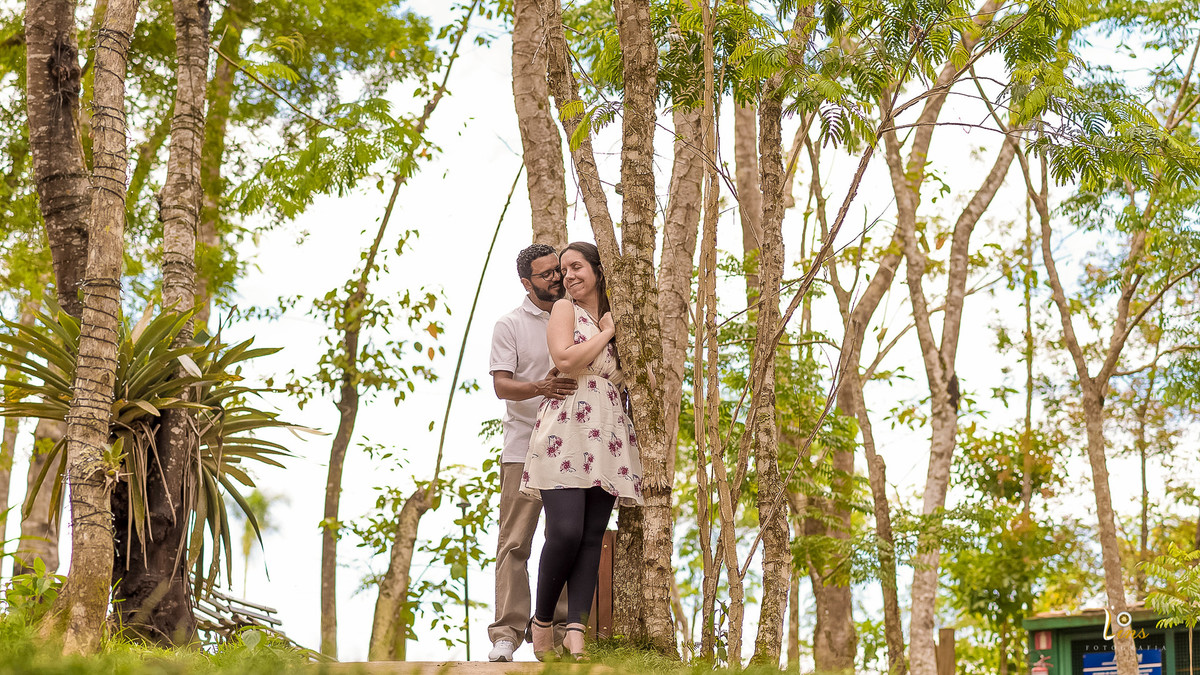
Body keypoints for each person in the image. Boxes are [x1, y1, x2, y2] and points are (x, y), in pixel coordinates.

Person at [522, 242, 644, 660]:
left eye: (576, 267)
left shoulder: (622, 314)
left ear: (597, 270)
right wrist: (607, 332)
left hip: (607, 431)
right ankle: (541, 621)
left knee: (593, 536)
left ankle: (575, 632)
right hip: (567, 427)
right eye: (562, 269)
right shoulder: (564, 311)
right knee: (566, 531)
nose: (568, 275)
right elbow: (566, 359)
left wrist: (616, 327)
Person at [486, 243, 577, 662]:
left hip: (571, 449)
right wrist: (541, 386)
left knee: (563, 539)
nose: (556, 279)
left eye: (557, 271)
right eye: (546, 275)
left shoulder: (579, 314)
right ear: (527, 282)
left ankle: (556, 633)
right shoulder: (510, 324)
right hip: (523, 447)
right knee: (515, 542)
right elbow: (502, 386)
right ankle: (506, 632)